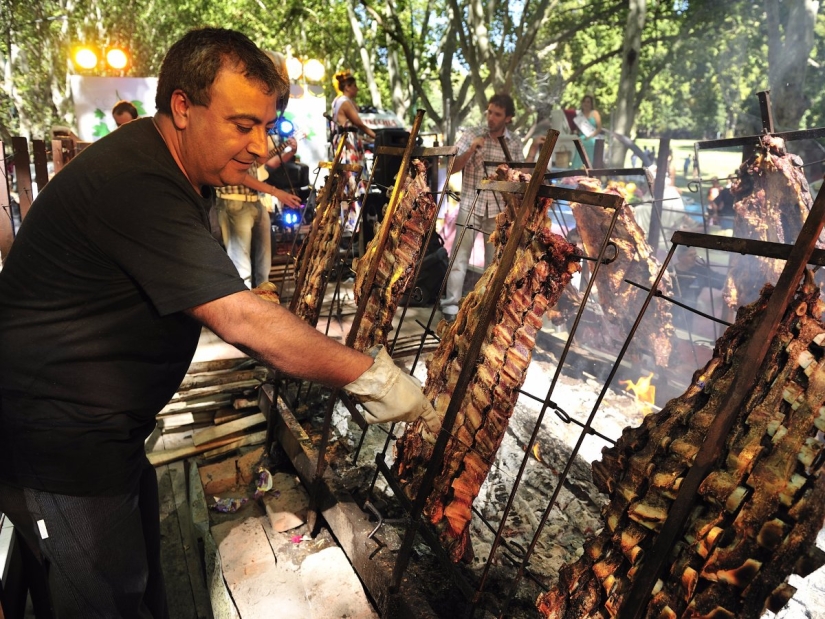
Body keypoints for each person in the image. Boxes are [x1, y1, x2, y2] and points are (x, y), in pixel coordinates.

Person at [0, 28, 439, 619]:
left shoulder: (170, 167)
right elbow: (237, 319)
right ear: (183, 107)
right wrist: (371, 377)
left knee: (136, 579)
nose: (260, 146)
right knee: (101, 600)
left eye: (266, 125)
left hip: (105, 432)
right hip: (55, 441)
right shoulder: (137, 180)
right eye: (242, 124)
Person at [214, 51, 302, 288]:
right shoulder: (233, 114)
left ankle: (264, 303)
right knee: (241, 268)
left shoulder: (257, 119)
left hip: (256, 200)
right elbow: (238, 174)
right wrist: (276, 192)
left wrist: (287, 151)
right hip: (233, 200)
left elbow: (261, 163)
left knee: (264, 267)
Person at [440, 93, 524, 322]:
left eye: (497, 114)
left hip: (498, 209)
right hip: (471, 203)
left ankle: (484, 310)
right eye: (490, 112)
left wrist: (534, 150)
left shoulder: (514, 142)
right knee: (459, 257)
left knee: (493, 263)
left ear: (508, 118)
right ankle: (451, 307)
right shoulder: (471, 133)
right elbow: (451, 167)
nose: (491, 118)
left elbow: (520, 176)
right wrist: (470, 150)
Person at [330, 70, 376, 229]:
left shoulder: (338, 100)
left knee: (350, 183)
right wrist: (377, 136)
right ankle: (353, 224)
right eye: (354, 86)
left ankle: (351, 223)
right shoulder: (344, 102)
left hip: (346, 145)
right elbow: (359, 124)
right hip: (347, 148)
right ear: (348, 87)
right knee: (352, 182)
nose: (357, 89)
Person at [672, 245, 725, 329]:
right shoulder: (670, 272)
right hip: (670, 313)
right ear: (680, 258)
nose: (694, 258)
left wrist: (733, 276)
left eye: (695, 254)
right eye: (690, 255)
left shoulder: (701, 272)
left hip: (687, 319)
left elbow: (719, 280)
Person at [571, 94, 601, 169]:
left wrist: (590, 136)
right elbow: (578, 130)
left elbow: (599, 128)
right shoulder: (579, 115)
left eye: (588, 102)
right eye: (584, 102)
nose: (586, 104)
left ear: (591, 104)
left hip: (593, 136)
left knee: (590, 142)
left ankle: (589, 168)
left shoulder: (595, 113)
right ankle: (578, 168)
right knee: (580, 142)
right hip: (582, 137)